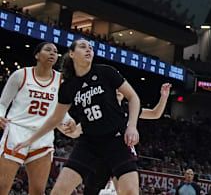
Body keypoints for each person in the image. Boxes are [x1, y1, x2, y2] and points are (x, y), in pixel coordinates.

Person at [13, 39, 142, 195]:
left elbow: (133, 97)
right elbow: (55, 118)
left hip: (116, 139)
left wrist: (132, 126)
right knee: (58, 192)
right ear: (72, 54)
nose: (89, 50)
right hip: (89, 143)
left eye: (91, 48)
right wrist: (29, 140)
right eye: (83, 47)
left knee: (130, 192)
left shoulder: (105, 72)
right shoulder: (68, 86)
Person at [61, 83, 172, 195]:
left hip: (122, 156)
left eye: (120, 89)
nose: (118, 91)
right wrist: (65, 126)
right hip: (101, 156)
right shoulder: (99, 109)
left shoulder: (130, 109)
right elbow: (77, 131)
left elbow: (155, 113)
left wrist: (164, 97)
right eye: (114, 90)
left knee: (127, 191)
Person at [0, 42, 71, 195]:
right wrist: (0, 114)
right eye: (48, 50)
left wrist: (67, 120)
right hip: (17, 131)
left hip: (43, 135)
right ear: (37, 55)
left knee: (38, 191)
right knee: (2, 186)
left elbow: (61, 109)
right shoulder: (21, 75)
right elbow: (3, 103)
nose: (53, 53)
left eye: (55, 52)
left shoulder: (61, 81)